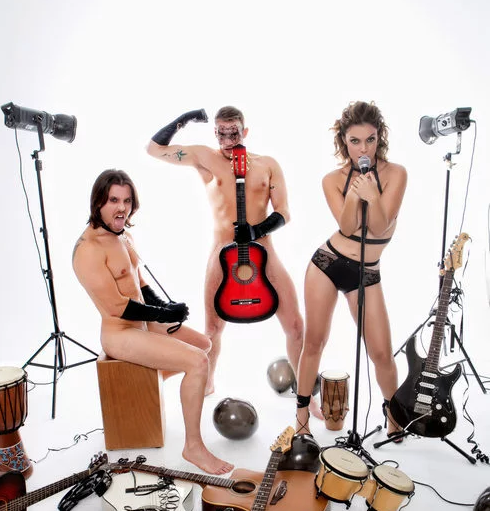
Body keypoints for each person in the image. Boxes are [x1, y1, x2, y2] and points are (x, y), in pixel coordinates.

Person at [146, 106, 319, 414]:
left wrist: (256, 230)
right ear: (215, 132)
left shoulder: (267, 164)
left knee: (295, 325)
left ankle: (305, 395)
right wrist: (186, 119)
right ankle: (207, 383)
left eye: (234, 133)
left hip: (264, 251)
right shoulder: (204, 157)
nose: (227, 140)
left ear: (245, 131)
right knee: (212, 330)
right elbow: (154, 149)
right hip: (221, 253)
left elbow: (284, 212)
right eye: (221, 133)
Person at [72, 168, 234, 475]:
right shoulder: (88, 250)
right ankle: (193, 446)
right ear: (98, 203)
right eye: (114, 200)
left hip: (143, 323)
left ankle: (152, 383)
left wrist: (164, 305)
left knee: (204, 344)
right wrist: (163, 315)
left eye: (127, 201)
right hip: (120, 333)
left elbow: (140, 283)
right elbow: (117, 306)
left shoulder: (123, 235)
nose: (122, 208)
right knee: (197, 362)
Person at [296, 101, 407, 440]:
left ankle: (394, 416)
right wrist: (354, 193)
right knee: (314, 342)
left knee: (381, 353)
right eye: (355, 141)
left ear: (379, 137)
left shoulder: (396, 174)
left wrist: (371, 193)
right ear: (344, 141)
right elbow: (347, 227)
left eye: (370, 140)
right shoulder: (332, 180)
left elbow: (379, 226)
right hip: (328, 264)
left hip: (367, 271)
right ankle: (301, 418)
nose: (363, 149)